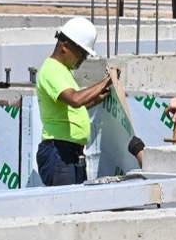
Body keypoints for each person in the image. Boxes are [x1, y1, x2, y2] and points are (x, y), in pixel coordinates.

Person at [36, 16, 120, 186]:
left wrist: (95, 99)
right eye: (81, 53)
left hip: (69, 152)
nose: (83, 59)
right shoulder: (52, 70)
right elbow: (75, 100)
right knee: (66, 207)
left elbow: (74, 107)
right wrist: (107, 80)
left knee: (75, 205)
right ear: (65, 46)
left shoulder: (63, 71)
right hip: (59, 152)